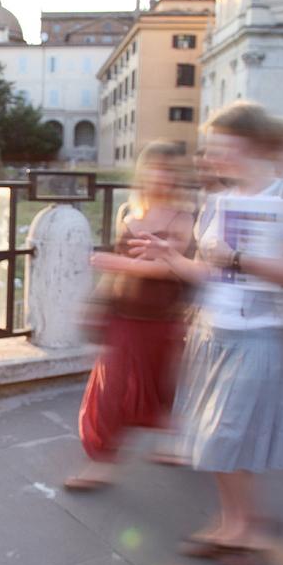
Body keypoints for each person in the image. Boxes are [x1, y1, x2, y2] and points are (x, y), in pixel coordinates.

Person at [129, 101, 283, 565]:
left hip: (257, 336)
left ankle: (250, 528)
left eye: (221, 147)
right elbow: (208, 273)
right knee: (209, 436)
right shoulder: (219, 201)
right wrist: (169, 256)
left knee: (227, 436)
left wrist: (238, 260)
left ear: (251, 145)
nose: (210, 157)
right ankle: (233, 523)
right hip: (211, 333)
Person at [65, 142, 194, 490]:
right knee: (110, 390)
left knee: (159, 389)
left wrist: (111, 261)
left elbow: (166, 270)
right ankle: (101, 463)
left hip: (162, 319)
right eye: (155, 168)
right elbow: (118, 274)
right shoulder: (130, 213)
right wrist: (99, 301)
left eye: (169, 170)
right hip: (124, 315)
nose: (161, 176)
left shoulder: (184, 218)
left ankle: (177, 437)